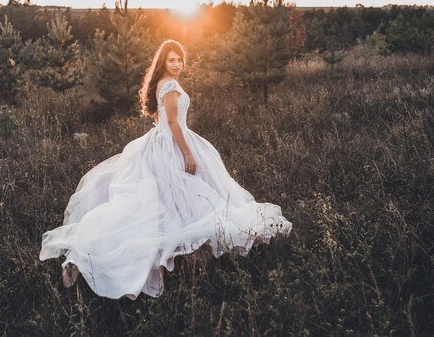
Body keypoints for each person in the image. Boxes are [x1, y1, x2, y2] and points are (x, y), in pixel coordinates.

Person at [39, 39, 292, 300]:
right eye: (171, 60)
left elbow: (160, 119)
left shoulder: (159, 83)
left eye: (180, 59)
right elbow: (171, 121)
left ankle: (90, 254)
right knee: (184, 201)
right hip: (171, 145)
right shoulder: (169, 84)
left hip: (159, 142)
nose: (177, 64)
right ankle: (163, 255)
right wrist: (186, 152)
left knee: (156, 205)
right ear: (163, 62)